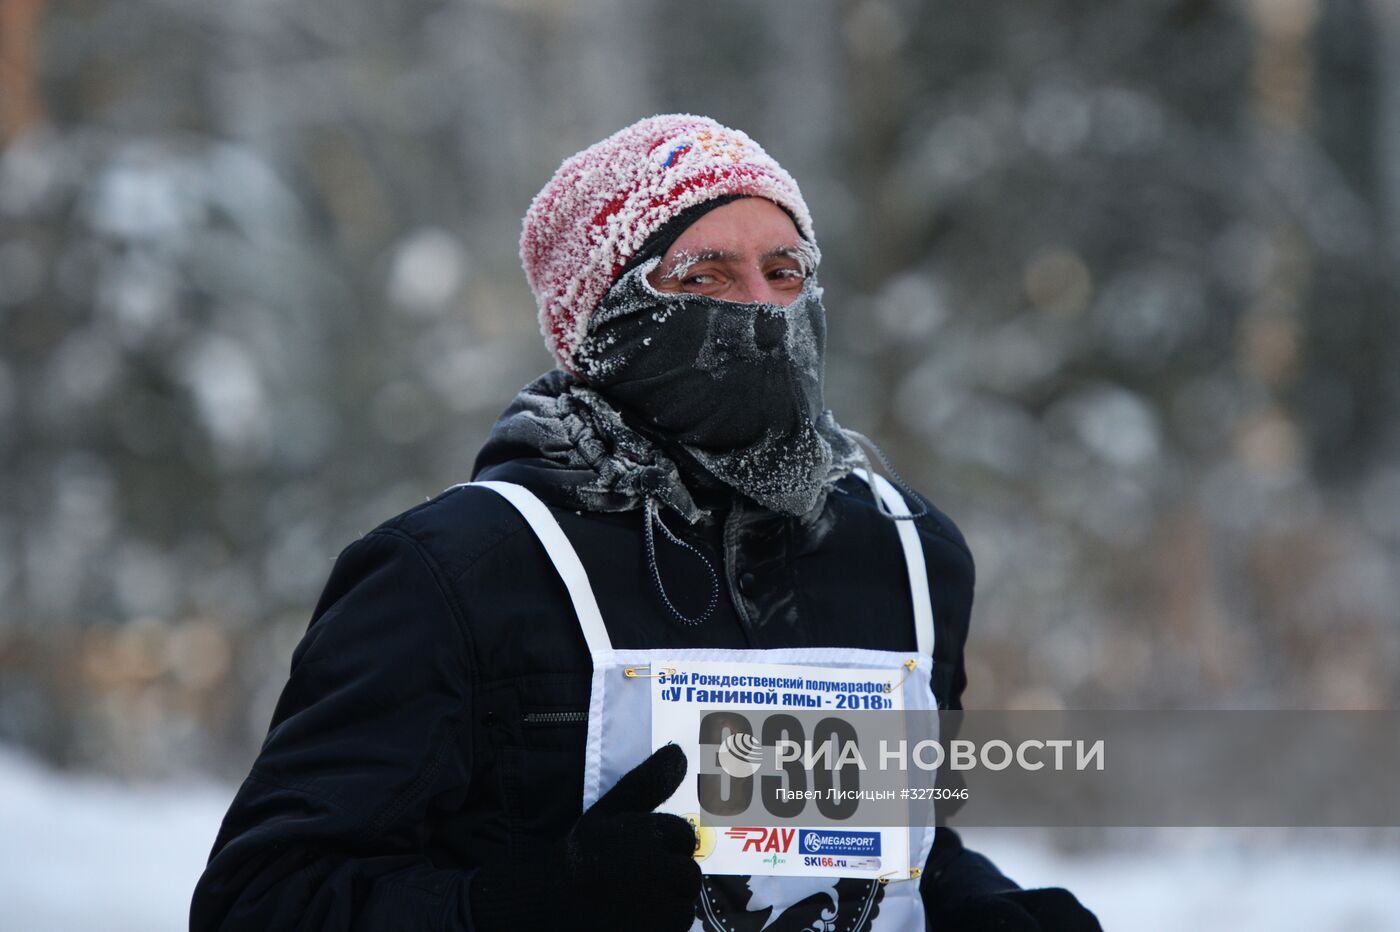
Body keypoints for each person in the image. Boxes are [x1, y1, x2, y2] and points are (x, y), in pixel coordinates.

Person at [191, 113, 1101, 931]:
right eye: (705, 274)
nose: (762, 312)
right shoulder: (457, 570)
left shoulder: (904, 556)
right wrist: (520, 907)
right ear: (602, 321)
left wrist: (981, 906)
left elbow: (885, 848)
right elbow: (259, 900)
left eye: (786, 273)